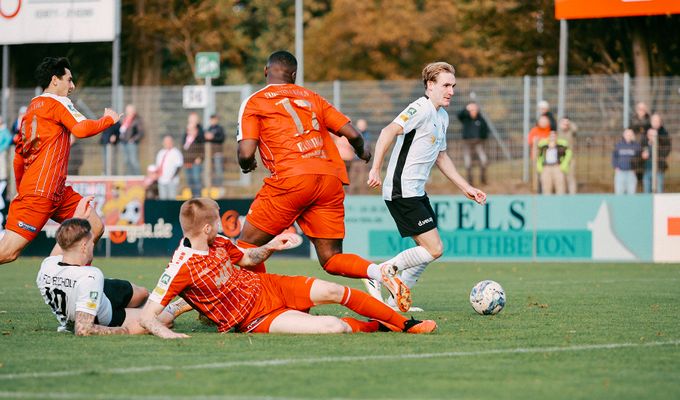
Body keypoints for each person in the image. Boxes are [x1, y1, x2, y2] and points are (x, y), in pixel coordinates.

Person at [236, 51, 411, 310]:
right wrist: (362, 150)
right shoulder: (312, 97)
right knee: (331, 258)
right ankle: (379, 271)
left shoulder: (255, 100)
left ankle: (261, 305)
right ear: (293, 76)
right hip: (329, 179)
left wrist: (247, 164)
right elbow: (352, 133)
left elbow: (246, 152)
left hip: (291, 179)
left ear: (266, 71)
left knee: (246, 246)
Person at [138, 198, 436, 338]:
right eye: (217, 221)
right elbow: (149, 316)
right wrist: (168, 334)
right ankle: (379, 325)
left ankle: (404, 323)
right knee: (334, 327)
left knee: (333, 289)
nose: (221, 224)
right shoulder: (179, 267)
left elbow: (248, 260)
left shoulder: (218, 243)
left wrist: (271, 247)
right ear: (206, 227)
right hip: (255, 318)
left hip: (270, 287)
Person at [366, 62, 487, 311]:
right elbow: (388, 131)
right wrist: (375, 168)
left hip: (416, 192)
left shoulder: (441, 116)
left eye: (453, 86)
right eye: (445, 85)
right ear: (430, 86)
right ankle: (379, 272)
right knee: (435, 248)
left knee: (427, 251)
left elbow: (441, 157)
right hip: (402, 191)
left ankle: (394, 304)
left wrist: (466, 187)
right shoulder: (419, 108)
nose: (451, 91)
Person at [0, 57, 119, 265]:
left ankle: (69, 284)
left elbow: (19, 158)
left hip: (56, 191)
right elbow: (81, 129)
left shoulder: (31, 109)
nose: (72, 86)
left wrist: (21, 188)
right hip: (40, 192)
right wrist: (108, 119)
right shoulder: (57, 102)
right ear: (55, 80)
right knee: (7, 253)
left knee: (93, 228)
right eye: (69, 80)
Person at [37, 215, 188, 335]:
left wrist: (77, 216)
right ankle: (178, 306)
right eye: (91, 243)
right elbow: (83, 329)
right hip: (104, 315)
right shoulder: (90, 276)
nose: (93, 246)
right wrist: (123, 331)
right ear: (83, 246)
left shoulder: (48, 265)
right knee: (163, 320)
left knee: (141, 293)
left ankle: (155, 304)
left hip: (97, 292)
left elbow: (63, 241)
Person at [457, 102, 489, 185]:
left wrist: (483, 139)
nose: (473, 112)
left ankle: (483, 180)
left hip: (479, 143)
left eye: (475, 109)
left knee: (483, 161)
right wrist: (466, 108)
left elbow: (486, 130)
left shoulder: (481, 119)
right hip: (467, 143)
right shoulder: (465, 119)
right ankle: (470, 182)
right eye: (471, 110)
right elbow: (459, 115)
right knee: (468, 163)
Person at [641, 114, 671, 193]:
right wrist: (642, 154)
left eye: (657, 121)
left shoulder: (664, 135)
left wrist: (653, 154)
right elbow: (640, 149)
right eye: (654, 121)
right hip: (647, 169)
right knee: (647, 191)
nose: (655, 122)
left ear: (660, 122)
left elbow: (667, 150)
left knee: (659, 190)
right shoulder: (644, 136)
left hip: (658, 168)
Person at [182, 112, 205, 198]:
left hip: (196, 161)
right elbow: (183, 146)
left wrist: (200, 157)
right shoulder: (186, 135)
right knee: (190, 180)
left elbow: (202, 143)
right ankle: (193, 197)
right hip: (187, 161)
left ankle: (198, 197)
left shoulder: (200, 131)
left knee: (196, 179)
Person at [612, 128, 641, 195]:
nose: (629, 136)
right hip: (620, 173)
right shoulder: (618, 145)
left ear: (633, 135)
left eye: (630, 134)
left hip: (631, 173)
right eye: (627, 134)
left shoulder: (636, 146)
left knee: (631, 193)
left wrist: (636, 168)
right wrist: (616, 166)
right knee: (619, 193)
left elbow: (639, 158)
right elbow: (614, 157)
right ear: (624, 135)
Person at [155, 135, 184, 200]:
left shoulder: (176, 152)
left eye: (168, 142)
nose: (166, 143)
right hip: (161, 180)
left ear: (172, 142)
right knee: (163, 200)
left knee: (171, 199)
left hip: (172, 181)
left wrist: (172, 176)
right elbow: (158, 166)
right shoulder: (160, 152)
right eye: (165, 142)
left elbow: (179, 166)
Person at [118, 104, 144, 175]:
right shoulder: (124, 119)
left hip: (131, 143)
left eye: (129, 110)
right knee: (126, 161)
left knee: (133, 160)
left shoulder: (137, 120)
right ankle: (129, 176)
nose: (128, 112)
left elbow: (141, 132)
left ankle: (137, 176)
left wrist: (133, 139)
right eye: (127, 110)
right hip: (123, 142)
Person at [557, 117, 578, 194]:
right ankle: (562, 195)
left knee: (571, 178)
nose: (565, 124)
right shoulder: (558, 132)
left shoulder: (571, 132)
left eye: (567, 122)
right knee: (561, 179)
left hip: (570, 158)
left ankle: (572, 196)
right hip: (560, 158)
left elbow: (575, 129)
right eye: (563, 122)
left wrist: (569, 124)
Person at [205, 114, 226, 187]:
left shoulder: (220, 128)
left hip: (218, 152)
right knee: (211, 170)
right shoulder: (208, 129)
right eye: (211, 120)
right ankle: (212, 185)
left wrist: (212, 137)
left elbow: (222, 139)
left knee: (218, 170)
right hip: (209, 154)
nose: (213, 121)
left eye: (214, 119)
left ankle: (219, 185)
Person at [0, 116, 12, 184]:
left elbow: (9, 139)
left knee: (2, 172)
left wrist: (2, 148)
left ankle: (2, 191)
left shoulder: (4, 130)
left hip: (2, 153)